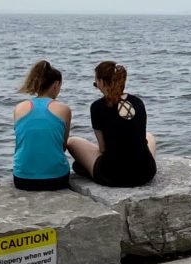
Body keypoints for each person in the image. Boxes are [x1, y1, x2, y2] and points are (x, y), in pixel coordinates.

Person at [67, 59, 157, 187]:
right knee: (149, 136)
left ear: (101, 82)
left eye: (96, 81)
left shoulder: (98, 107)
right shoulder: (138, 102)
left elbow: (103, 148)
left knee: (72, 141)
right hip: (145, 173)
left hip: (113, 175)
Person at [12, 59, 73, 190]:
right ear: (56, 84)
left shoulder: (19, 108)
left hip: (22, 179)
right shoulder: (64, 109)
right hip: (56, 179)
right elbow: (62, 146)